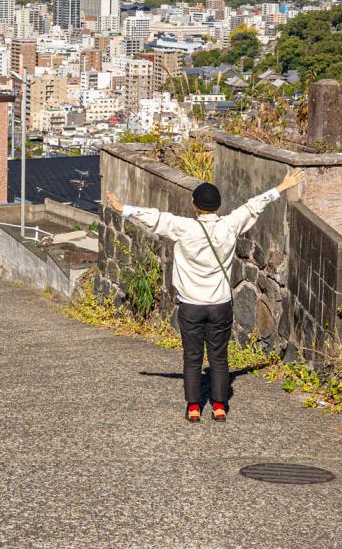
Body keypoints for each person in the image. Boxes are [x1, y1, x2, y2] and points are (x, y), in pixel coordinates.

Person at [106, 168, 303, 422]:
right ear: (218, 206)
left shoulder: (184, 227)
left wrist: (124, 209)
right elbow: (253, 206)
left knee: (192, 357)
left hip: (191, 305)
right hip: (220, 304)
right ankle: (219, 407)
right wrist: (282, 186)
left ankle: (194, 407)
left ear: (194, 205)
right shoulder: (229, 225)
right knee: (219, 357)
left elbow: (155, 218)